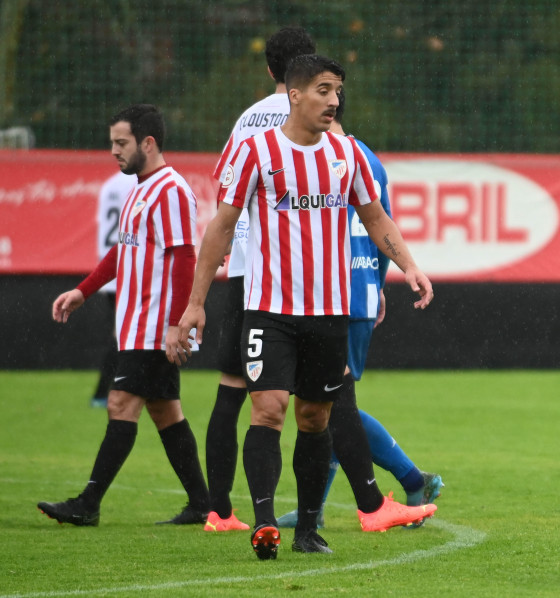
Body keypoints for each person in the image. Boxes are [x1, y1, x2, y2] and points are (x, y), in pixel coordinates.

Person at [177, 54, 436, 560]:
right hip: (268, 310)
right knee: (268, 410)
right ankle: (266, 523)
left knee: (315, 418)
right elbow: (222, 227)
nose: (334, 100)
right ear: (294, 95)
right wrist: (196, 303)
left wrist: (410, 266)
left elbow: (376, 216)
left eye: (337, 90)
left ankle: (308, 528)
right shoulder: (256, 151)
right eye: (323, 90)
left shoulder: (347, 155)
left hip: (328, 313)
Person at [276, 91, 444, 530]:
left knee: (330, 401)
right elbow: (379, 223)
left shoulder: (331, 155)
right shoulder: (364, 156)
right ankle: (314, 507)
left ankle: (412, 477)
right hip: (353, 294)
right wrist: (378, 281)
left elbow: (375, 222)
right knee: (326, 401)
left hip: (338, 300)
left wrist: (373, 283)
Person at [39, 104, 211, 527]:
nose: (113, 150)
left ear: (147, 143)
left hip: (155, 328)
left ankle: (88, 504)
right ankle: (203, 506)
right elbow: (122, 251)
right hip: (139, 325)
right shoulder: (141, 188)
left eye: (121, 143)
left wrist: (176, 324)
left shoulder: (170, 189)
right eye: (112, 142)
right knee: (166, 412)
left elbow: (184, 257)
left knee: (120, 403)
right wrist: (83, 290)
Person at [202, 25, 317, 534]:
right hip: (300, 278)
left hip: (247, 269)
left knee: (232, 393)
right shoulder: (316, 115)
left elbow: (224, 186)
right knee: (317, 400)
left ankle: (220, 509)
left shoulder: (249, 118)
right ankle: (340, 507)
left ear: (269, 69)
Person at [90, 171, 136, 409]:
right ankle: (104, 393)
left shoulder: (109, 185)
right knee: (123, 335)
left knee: (123, 333)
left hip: (109, 270)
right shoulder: (140, 183)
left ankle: (115, 390)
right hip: (127, 269)